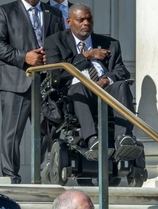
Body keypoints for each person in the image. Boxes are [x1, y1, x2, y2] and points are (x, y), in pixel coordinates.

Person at [43, 4, 143, 162]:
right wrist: (86, 55)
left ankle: (124, 138)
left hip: (105, 89)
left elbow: (121, 71)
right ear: (69, 22)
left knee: (121, 85)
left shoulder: (110, 43)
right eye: (80, 20)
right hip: (75, 94)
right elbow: (56, 74)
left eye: (89, 19)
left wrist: (105, 80)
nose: (86, 23)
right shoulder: (55, 42)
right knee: (81, 87)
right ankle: (91, 140)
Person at [0, 0, 62, 183]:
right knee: (12, 133)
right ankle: (11, 177)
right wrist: (25, 57)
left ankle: (42, 175)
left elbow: (61, 41)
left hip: (46, 82)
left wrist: (51, 57)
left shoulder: (53, 12)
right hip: (16, 80)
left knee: (48, 132)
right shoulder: (5, 11)